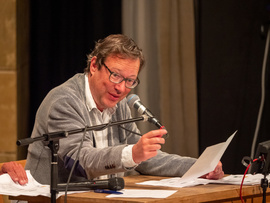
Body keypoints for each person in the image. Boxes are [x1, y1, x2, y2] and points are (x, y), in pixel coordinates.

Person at [25, 34, 224, 185]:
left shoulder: (118, 103)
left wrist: (197, 167)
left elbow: (144, 158)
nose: (121, 88)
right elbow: (80, 162)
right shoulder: (64, 101)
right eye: (116, 76)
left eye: (130, 81)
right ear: (94, 65)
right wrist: (134, 153)